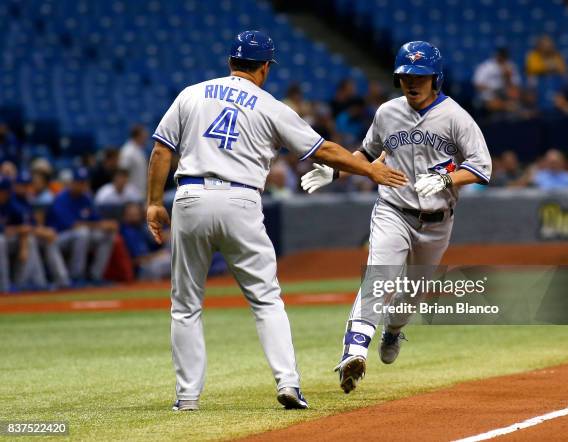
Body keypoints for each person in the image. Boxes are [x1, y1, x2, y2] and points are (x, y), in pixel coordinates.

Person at [146, 30, 406, 411]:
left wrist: (154, 201)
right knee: (266, 300)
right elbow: (326, 150)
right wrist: (370, 171)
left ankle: (187, 399)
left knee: (186, 305)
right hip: (241, 198)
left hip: (190, 197)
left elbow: (160, 150)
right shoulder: (270, 106)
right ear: (265, 67)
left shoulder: (192, 93)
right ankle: (288, 383)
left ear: (230, 62)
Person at [301, 41, 492, 394]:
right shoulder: (387, 113)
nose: (411, 82)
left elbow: (482, 168)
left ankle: (393, 329)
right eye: (405, 76)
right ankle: (354, 352)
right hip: (393, 210)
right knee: (380, 276)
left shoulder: (456, 117)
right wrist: (338, 172)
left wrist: (449, 178)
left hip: (438, 220)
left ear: (436, 78)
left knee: (413, 293)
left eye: (420, 76)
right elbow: (368, 153)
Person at [46, 167, 117, 283]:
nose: (82, 186)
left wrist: (105, 225)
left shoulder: (86, 198)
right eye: (79, 183)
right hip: (60, 237)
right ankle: (77, 276)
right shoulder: (61, 198)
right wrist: (98, 225)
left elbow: (96, 220)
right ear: (72, 183)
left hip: (82, 235)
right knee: (82, 233)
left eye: (84, 183)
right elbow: (74, 225)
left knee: (108, 235)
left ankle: (96, 276)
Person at [120, 202, 170, 279]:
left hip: (151, 261)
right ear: (124, 216)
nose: (135, 217)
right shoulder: (127, 232)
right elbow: (138, 260)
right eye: (131, 215)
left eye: (136, 214)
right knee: (172, 261)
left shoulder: (141, 228)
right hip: (141, 269)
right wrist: (158, 254)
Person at [473, 48, 523, 116]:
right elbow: (477, 85)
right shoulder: (486, 66)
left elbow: (515, 86)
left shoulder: (510, 66)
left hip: (504, 93)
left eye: (504, 56)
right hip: (489, 93)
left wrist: (508, 77)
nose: (502, 58)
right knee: (492, 101)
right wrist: (492, 88)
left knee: (516, 94)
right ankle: (506, 107)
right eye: (501, 56)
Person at [119, 125, 149, 199]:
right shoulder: (128, 151)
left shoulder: (139, 151)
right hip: (130, 195)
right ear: (138, 136)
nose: (145, 138)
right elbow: (122, 172)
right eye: (144, 136)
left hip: (140, 192)